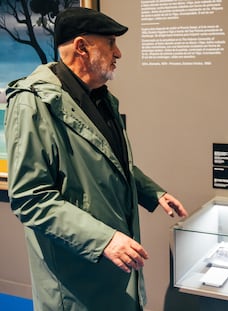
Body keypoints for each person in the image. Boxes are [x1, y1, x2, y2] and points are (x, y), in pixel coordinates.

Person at [4, 7, 188, 311]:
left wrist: (153, 193)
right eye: (111, 42)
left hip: (110, 271)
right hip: (76, 277)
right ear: (82, 47)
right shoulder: (31, 103)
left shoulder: (100, 98)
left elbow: (112, 162)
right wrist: (102, 240)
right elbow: (29, 198)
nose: (118, 53)